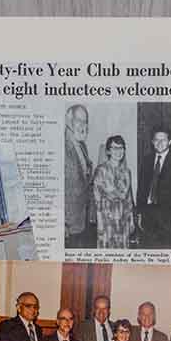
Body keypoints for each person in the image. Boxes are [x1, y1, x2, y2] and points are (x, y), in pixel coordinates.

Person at [136, 126, 171, 248]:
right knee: (148, 251)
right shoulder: (146, 160)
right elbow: (141, 189)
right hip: (148, 216)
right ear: (152, 142)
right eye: (156, 139)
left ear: (169, 142)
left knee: (165, 251)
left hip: (168, 218)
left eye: (163, 140)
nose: (159, 143)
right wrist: (139, 213)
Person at [93, 135, 135, 249]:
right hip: (107, 219)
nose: (119, 151)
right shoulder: (101, 170)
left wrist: (132, 221)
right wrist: (100, 223)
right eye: (115, 148)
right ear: (108, 151)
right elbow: (97, 200)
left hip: (124, 219)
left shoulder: (127, 172)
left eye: (121, 148)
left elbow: (129, 199)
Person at [64, 104, 94, 248]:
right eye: (79, 121)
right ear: (68, 121)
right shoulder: (61, 146)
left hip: (83, 220)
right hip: (68, 225)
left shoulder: (83, 145)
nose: (83, 125)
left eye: (85, 121)